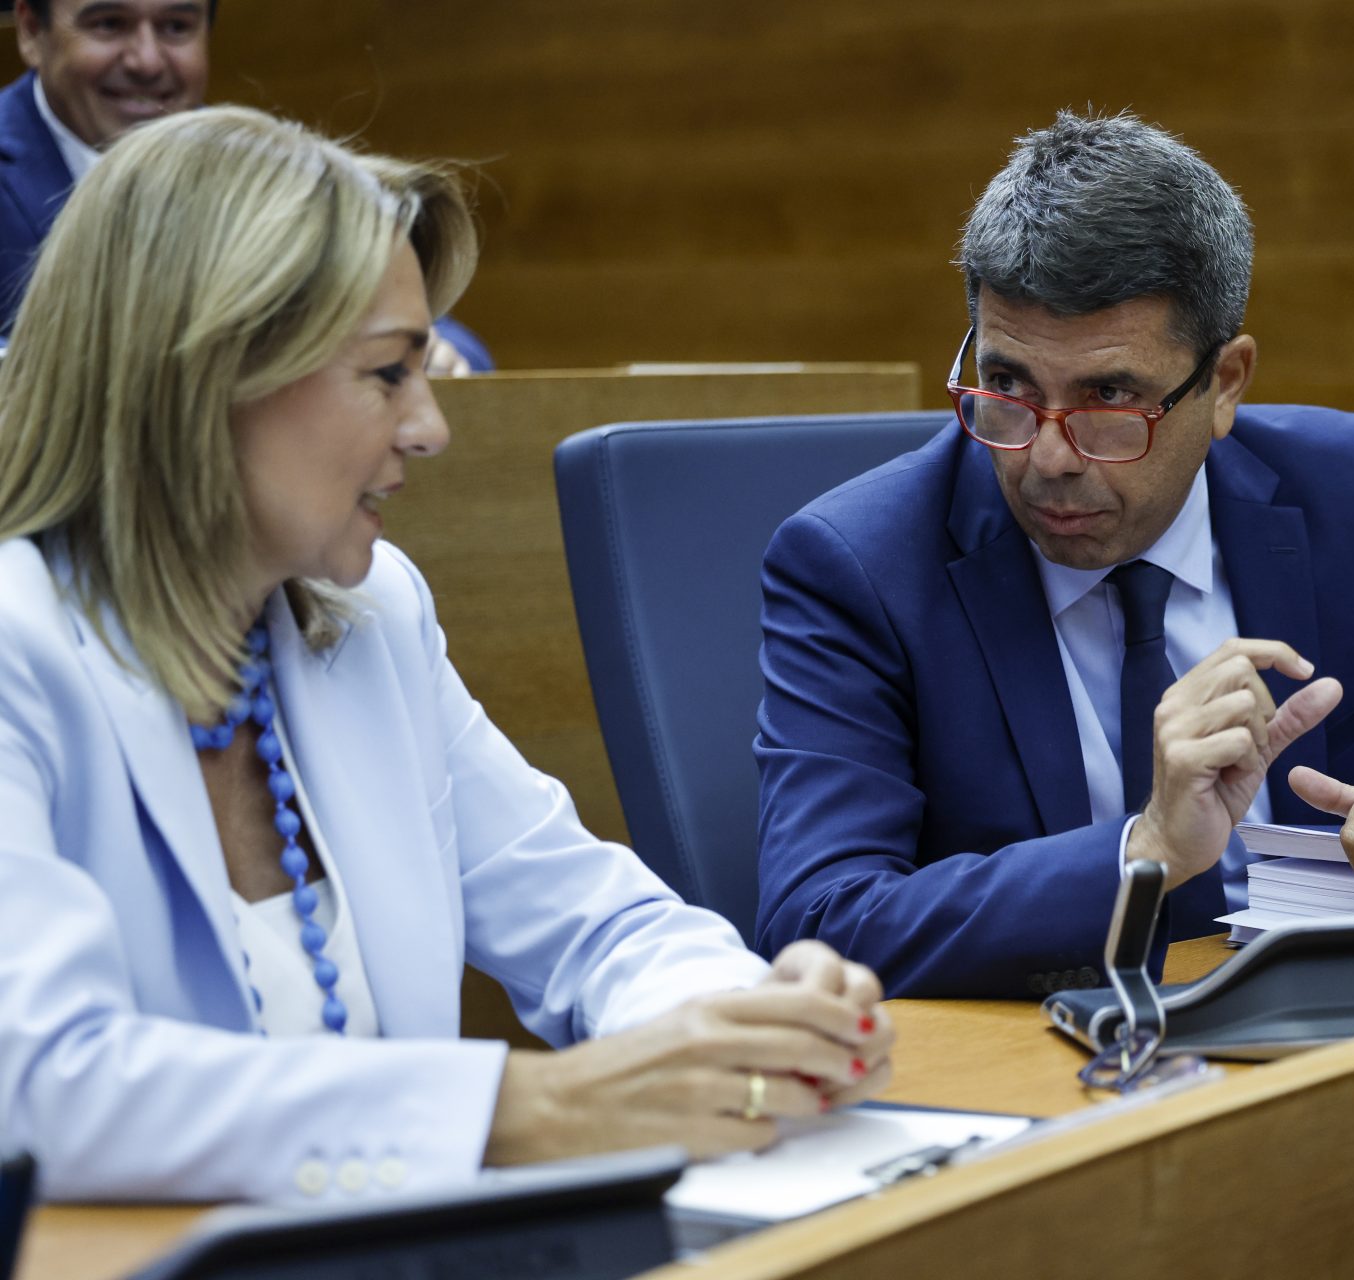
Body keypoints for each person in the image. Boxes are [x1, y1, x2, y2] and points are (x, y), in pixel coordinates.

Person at [0, 105, 892, 1204]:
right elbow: (36, 1084)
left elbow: (596, 924)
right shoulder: (17, 646)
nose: (432, 427)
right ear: (207, 376)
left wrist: (754, 1017)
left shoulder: (372, 612)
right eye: (388, 373)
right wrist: (534, 1109)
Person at [754, 109, 1354, 999]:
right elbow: (818, 920)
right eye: (1007, 384)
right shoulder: (859, 565)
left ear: (1224, 384)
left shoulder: (1347, 494)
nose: (1048, 457)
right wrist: (1145, 850)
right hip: (1048, 1052)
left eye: (1110, 397)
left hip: (1335, 1031)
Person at [0, 0, 492, 372]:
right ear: (30, 31)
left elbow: (443, 334)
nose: (146, 61)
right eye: (109, 24)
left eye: (176, 27)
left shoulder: (257, 166)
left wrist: (436, 353)